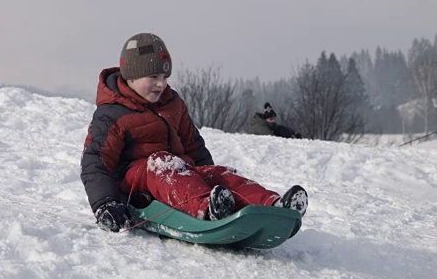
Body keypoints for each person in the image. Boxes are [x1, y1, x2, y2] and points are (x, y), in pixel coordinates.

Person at [80, 33, 308, 233]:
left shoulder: (172, 103)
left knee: (219, 173)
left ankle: (272, 206)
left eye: (164, 78)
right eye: (153, 78)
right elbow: (96, 161)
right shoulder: (112, 114)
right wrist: (105, 204)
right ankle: (207, 208)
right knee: (162, 162)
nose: (161, 85)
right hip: (138, 185)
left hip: (180, 175)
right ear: (131, 77)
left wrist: (207, 175)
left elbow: (193, 146)